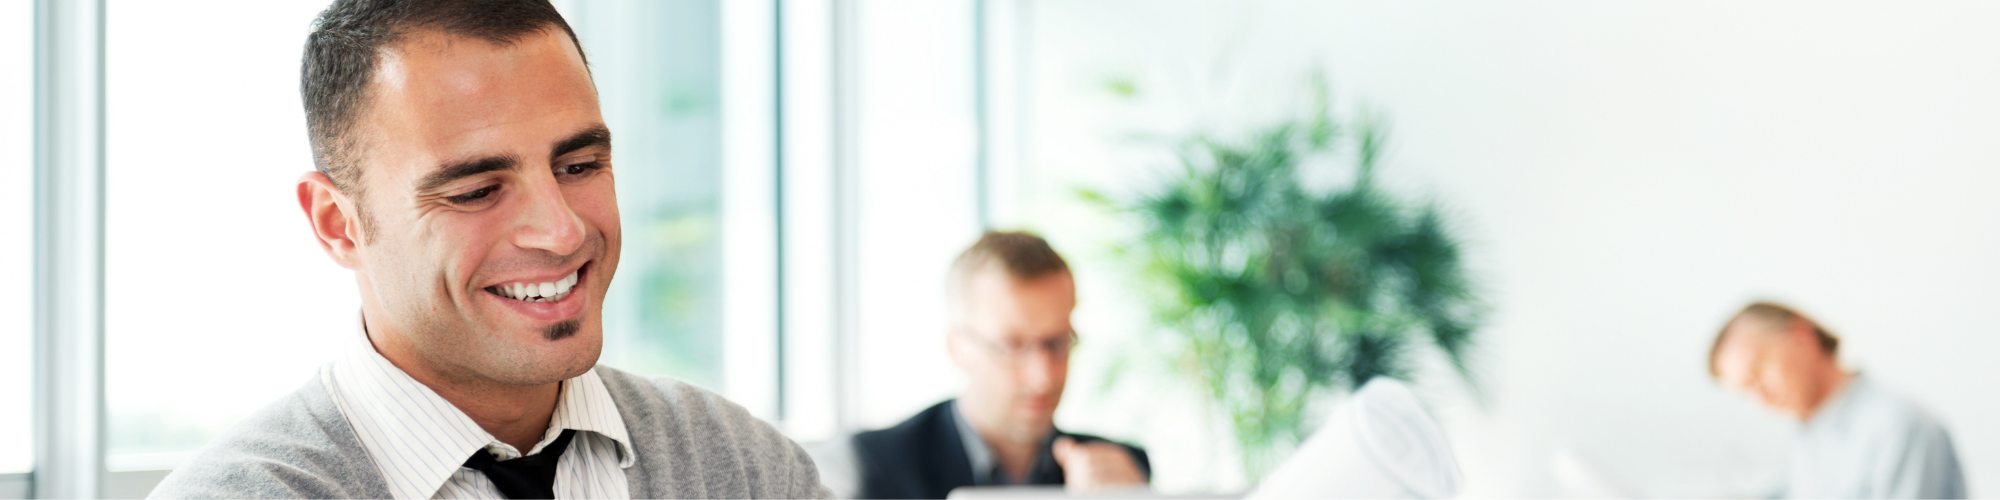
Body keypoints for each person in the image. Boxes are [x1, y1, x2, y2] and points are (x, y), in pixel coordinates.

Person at [149, 1, 823, 498]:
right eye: (475, 191)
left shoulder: (739, 465)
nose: (560, 232)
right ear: (337, 223)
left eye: (580, 165)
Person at [848, 231, 1150, 498]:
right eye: (1012, 346)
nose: (1042, 378)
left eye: (1057, 342)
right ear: (957, 349)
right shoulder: (873, 465)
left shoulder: (1121, 470)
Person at [1708, 302, 1965, 499]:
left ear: (1801, 336)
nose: (1761, 399)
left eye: (1758, 373)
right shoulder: (1809, 432)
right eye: (1747, 391)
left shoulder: (1900, 427)